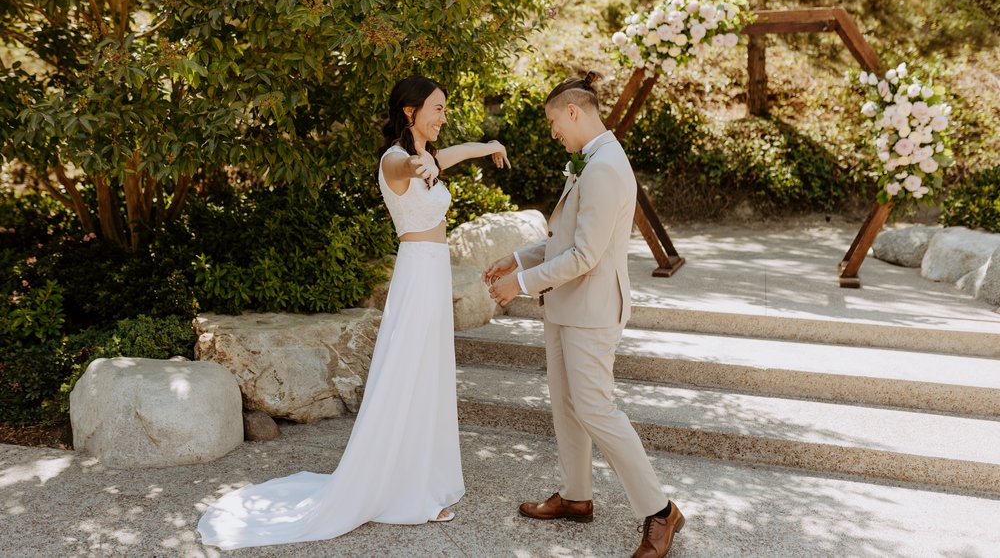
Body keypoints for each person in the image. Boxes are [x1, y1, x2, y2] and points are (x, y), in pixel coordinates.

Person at [198, 75, 510, 551]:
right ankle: (405, 493)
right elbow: (406, 167)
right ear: (410, 111)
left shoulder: (429, 157)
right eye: (438, 108)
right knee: (408, 377)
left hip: (432, 273)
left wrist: (487, 144)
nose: (443, 116)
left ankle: (422, 477)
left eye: (446, 108)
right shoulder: (396, 159)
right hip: (416, 276)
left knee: (429, 377)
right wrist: (419, 164)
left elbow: (449, 155)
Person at [483, 73, 685, 558]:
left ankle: (660, 512)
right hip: (566, 305)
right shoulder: (589, 162)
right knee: (566, 405)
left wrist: (521, 284)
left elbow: (586, 256)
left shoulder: (604, 168)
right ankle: (576, 496)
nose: (553, 131)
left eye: (554, 121)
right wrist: (518, 257)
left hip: (592, 309)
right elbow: (565, 239)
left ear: (574, 112)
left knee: (597, 409)